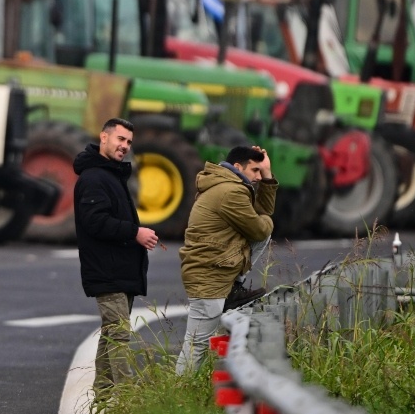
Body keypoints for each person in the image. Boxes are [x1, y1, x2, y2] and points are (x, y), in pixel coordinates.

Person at [174, 145, 276, 376]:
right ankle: (179, 394)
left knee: (196, 342)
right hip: (209, 272)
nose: (258, 177)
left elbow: (262, 212)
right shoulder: (231, 192)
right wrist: (268, 222)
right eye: (256, 171)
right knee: (196, 343)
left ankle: (233, 287)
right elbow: (260, 228)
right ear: (238, 167)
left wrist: (268, 175)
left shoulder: (228, 184)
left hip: (213, 267)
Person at [73, 117, 158, 393]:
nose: (125, 146)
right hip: (106, 271)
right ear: (104, 137)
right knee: (119, 334)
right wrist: (135, 232)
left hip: (119, 271)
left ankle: (104, 394)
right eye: (120, 139)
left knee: (112, 334)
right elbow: (94, 221)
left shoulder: (111, 175)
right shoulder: (94, 178)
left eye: (129, 142)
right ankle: (126, 396)